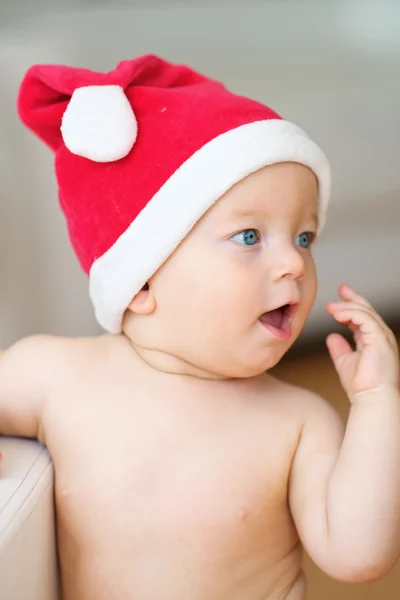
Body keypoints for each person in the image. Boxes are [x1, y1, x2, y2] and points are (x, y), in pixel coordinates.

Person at [0, 54, 399, 600]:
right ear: (140, 283)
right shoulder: (53, 375)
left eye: (304, 238)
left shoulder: (300, 422)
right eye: (250, 237)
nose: (295, 264)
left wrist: (377, 402)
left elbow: (358, 556)